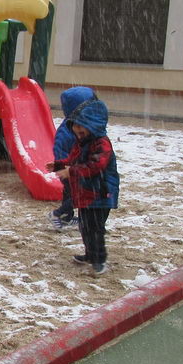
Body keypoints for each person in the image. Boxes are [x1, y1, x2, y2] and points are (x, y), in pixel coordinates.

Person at [47, 99, 119, 276]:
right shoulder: (82, 143)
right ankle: (89, 254)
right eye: (75, 126)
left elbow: (95, 166)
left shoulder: (102, 144)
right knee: (85, 226)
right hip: (87, 193)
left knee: (96, 228)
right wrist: (58, 165)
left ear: (92, 126)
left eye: (81, 126)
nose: (77, 130)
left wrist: (71, 172)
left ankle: (99, 260)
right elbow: (73, 160)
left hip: (101, 194)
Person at [48, 86, 98, 231]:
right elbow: (60, 149)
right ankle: (57, 214)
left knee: (70, 193)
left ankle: (68, 217)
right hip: (69, 169)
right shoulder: (67, 130)